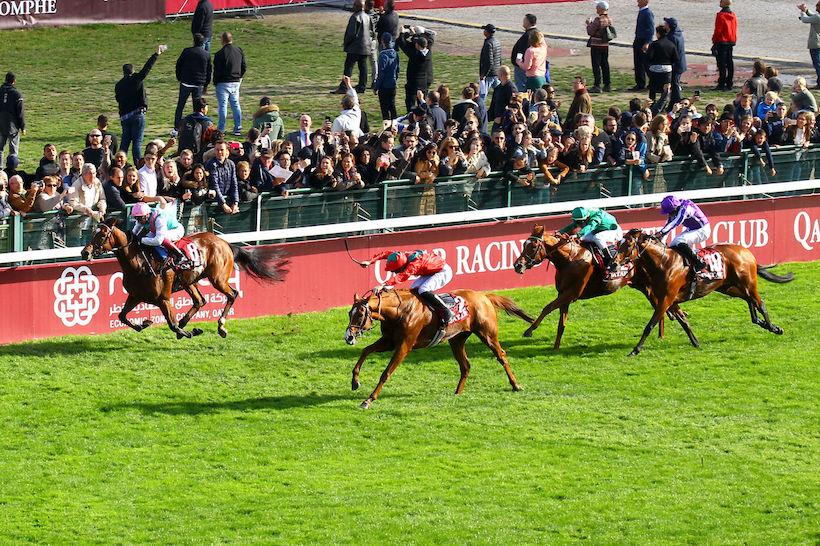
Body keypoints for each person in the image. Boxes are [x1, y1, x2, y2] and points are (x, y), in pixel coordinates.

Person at [360, 249, 454, 346]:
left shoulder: (413, 264)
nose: (396, 273)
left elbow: (402, 276)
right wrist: (370, 261)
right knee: (413, 290)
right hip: (430, 271)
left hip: (442, 272)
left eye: (397, 270)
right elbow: (384, 254)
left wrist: (383, 284)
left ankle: (446, 311)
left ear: (402, 266)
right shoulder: (399, 256)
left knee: (423, 290)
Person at [116, 46, 164, 165]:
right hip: (137, 115)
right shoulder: (137, 79)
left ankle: (120, 164)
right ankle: (138, 164)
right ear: (132, 71)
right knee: (137, 143)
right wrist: (156, 54)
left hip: (125, 117)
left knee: (125, 143)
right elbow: (147, 68)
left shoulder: (118, 85)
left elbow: (118, 99)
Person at [131, 201, 192, 271]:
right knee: (146, 237)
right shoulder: (143, 217)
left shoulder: (159, 219)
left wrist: (140, 239)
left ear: (147, 215)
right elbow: (134, 233)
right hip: (160, 231)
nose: (138, 221)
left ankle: (180, 255)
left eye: (140, 218)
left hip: (176, 230)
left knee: (162, 238)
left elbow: (158, 241)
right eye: (136, 218)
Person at [657, 195, 710, 274]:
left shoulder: (686, 208)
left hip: (702, 230)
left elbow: (676, 222)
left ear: (674, 209)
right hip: (692, 229)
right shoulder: (675, 207)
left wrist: (661, 233)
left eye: (669, 212)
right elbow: (669, 224)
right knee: (672, 245)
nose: (669, 214)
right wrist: (661, 240)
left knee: (679, 240)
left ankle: (700, 264)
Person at [558, 206, 623, 267]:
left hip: (613, 231)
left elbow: (590, 227)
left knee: (597, 237)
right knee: (581, 239)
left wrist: (577, 235)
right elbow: (572, 226)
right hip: (598, 230)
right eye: (577, 221)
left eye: (580, 222)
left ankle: (609, 259)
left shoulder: (596, 216)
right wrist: (560, 232)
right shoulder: (584, 216)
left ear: (586, 218)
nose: (579, 224)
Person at [174, 33, 212, 132]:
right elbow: (209, 71)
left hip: (186, 82)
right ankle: (196, 127)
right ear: (203, 43)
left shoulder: (186, 51)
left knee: (180, 106)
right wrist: (206, 84)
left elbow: (178, 65)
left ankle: (176, 127)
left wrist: (179, 77)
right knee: (197, 107)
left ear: (194, 41)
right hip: (198, 84)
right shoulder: (206, 54)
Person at [213, 32, 247, 136]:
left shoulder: (219, 54)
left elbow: (217, 70)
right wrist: (239, 76)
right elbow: (244, 66)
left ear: (222, 40)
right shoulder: (239, 50)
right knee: (235, 105)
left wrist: (215, 82)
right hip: (236, 81)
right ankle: (237, 127)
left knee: (223, 106)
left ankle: (221, 128)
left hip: (223, 82)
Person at [340, 0, 374, 94]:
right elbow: (372, 31)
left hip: (355, 47)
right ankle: (362, 86)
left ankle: (344, 86)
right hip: (365, 46)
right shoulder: (368, 17)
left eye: (354, 5)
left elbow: (351, 34)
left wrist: (346, 43)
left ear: (357, 7)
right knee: (363, 67)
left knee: (348, 67)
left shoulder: (355, 17)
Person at [586, 1, 613, 94]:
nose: (596, 9)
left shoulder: (598, 20)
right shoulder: (609, 19)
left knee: (596, 65)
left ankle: (597, 85)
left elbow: (590, 31)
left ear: (601, 9)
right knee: (605, 64)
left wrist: (588, 23)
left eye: (597, 7)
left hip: (596, 45)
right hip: (605, 45)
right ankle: (607, 84)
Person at [0, 72, 25, 169]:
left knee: (0, 148)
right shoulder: (16, 94)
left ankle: (0, 169)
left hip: (0, 125)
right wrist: (22, 126)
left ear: (5, 80)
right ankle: (12, 168)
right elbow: (20, 112)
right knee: (13, 149)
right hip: (13, 126)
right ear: (14, 81)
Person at [646, 25, 677, 101]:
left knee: (653, 88)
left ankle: (652, 103)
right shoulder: (671, 44)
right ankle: (663, 104)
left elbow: (649, 57)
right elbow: (675, 58)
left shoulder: (654, 44)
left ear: (658, 33)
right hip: (667, 69)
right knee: (665, 89)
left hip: (655, 68)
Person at [373, 32, 400, 122]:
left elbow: (381, 74)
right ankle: (395, 124)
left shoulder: (383, 55)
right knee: (392, 105)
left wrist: (376, 86)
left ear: (382, 42)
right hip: (392, 84)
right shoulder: (395, 53)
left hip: (384, 86)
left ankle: (386, 126)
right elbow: (397, 70)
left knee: (384, 108)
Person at [712, 0, 737, 91]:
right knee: (729, 62)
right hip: (730, 41)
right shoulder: (733, 15)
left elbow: (718, 30)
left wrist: (714, 42)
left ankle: (721, 83)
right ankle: (729, 83)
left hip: (721, 41)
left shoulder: (720, 15)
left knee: (721, 64)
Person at [630, 0, 654, 92]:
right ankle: (640, 83)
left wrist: (647, 42)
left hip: (643, 41)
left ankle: (652, 83)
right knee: (638, 63)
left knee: (645, 63)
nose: (637, 1)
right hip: (638, 39)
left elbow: (650, 29)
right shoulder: (642, 12)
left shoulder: (647, 13)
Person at [511, 14, 538, 92]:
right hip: (529, 65)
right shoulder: (535, 33)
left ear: (528, 22)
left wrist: (518, 61)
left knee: (521, 87)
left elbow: (521, 50)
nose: (523, 22)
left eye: (524, 20)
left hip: (522, 66)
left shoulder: (528, 35)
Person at [664, 18, 687, 105]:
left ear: (669, 26)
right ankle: (673, 102)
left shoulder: (671, 37)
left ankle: (677, 102)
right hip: (680, 63)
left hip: (675, 65)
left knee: (675, 84)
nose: (664, 25)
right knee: (675, 83)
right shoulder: (678, 34)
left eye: (666, 23)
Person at [798, 2, 820, 88]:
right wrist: (806, 10)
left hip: (815, 44)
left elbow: (805, 19)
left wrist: (803, 11)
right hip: (818, 44)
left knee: (817, 64)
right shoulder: (817, 16)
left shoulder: (818, 17)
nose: (815, 6)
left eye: (818, 5)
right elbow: (812, 16)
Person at [479, 24, 501, 104]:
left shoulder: (488, 44)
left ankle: (481, 109)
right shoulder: (497, 42)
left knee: (482, 93)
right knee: (499, 91)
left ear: (487, 32)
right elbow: (499, 58)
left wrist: (483, 74)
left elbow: (489, 62)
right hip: (496, 71)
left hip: (489, 73)